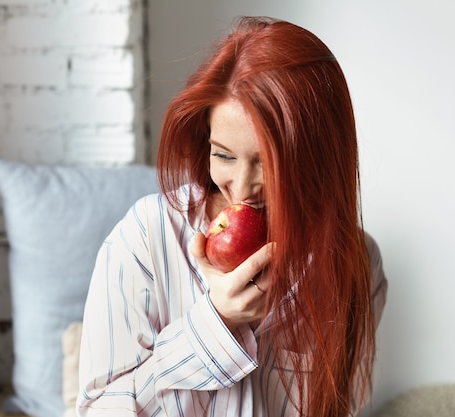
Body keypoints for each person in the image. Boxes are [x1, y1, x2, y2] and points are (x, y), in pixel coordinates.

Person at [77, 16, 388, 417]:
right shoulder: (147, 237)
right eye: (223, 155)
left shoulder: (356, 262)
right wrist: (214, 324)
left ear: (319, 159)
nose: (241, 188)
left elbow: (337, 407)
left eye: (270, 164)